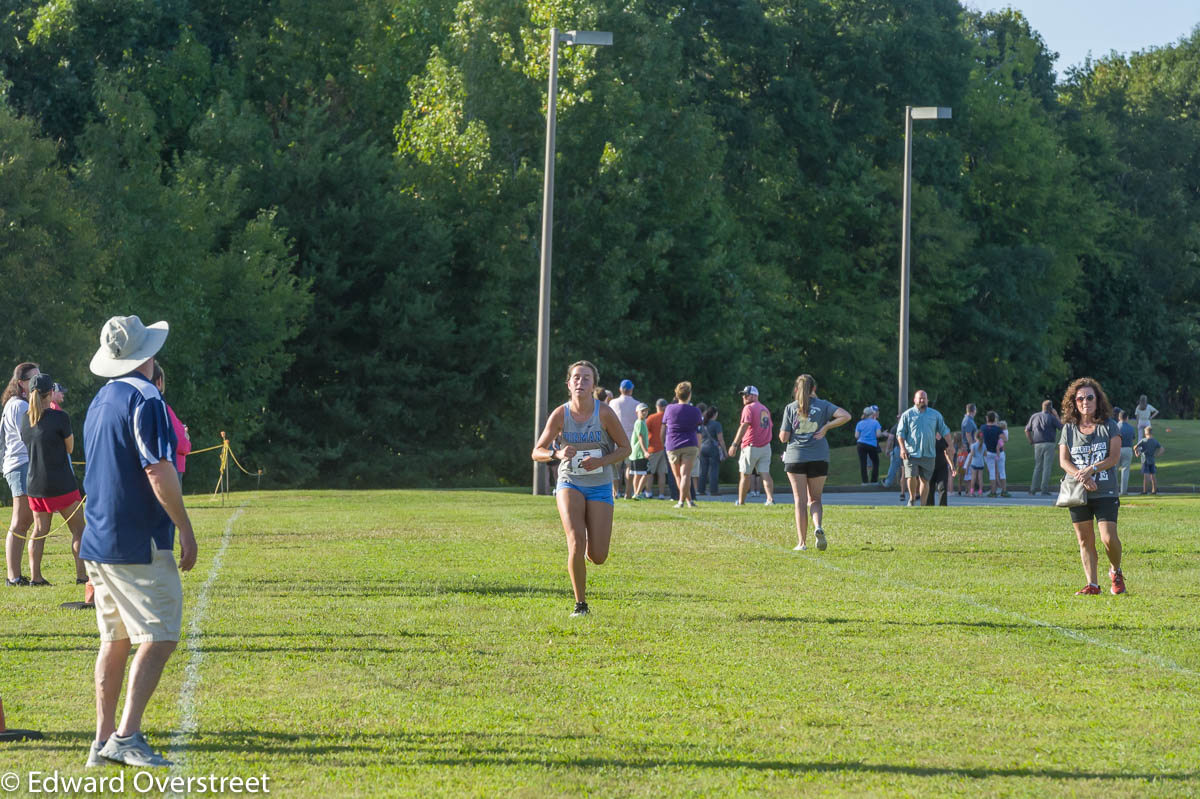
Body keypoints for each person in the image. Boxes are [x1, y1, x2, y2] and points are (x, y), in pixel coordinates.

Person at [80, 315, 198, 768]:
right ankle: (126, 736)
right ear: (148, 354)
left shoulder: (101, 397)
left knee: (116, 638)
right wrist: (184, 526)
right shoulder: (145, 397)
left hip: (100, 534)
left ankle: (103, 738)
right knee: (161, 633)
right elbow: (157, 468)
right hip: (135, 538)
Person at [533, 360, 631, 618]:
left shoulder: (605, 413)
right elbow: (537, 451)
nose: (580, 382)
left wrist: (601, 461)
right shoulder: (560, 414)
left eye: (586, 378)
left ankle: (588, 554)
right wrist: (557, 453)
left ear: (593, 386)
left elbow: (625, 448)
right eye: (576, 378)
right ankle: (580, 605)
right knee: (575, 542)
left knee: (598, 556)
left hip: (599, 485)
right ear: (568, 384)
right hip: (570, 482)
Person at [20, 374, 90, 596]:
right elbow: (69, 448)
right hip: (61, 483)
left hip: (35, 485)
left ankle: (36, 577)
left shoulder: (24, 418)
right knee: (79, 530)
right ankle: (82, 576)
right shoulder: (60, 418)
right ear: (50, 393)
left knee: (39, 531)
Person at [1058, 377, 1125, 596]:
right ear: (1074, 402)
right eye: (1080, 398)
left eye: (1089, 397)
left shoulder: (1109, 426)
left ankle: (1115, 571)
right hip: (1078, 491)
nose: (1085, 401)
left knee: (1108, 537)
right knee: (1085, 539)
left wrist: (1091, 469)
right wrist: (1081, 475)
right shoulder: (1068, 429)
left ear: (1097, 400)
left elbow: (1114, 457)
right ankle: (1093, 585)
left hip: (1104, 490)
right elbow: (1064, 461)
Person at [780, 375, 850, 550]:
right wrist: (826, 427)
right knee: (815, 499)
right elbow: (845, 416)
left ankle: (801, 543)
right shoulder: (824, 405)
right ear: (814, 389)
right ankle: (818, 527)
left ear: (796, 389)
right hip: (819, 457)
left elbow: (783, 438)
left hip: (795, 457)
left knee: (800, 500)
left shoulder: (790, 408)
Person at [3, 362, 40, 586]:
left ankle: (15, 575)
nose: (36, 383)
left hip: (21, 463)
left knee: (25, 520)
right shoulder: (18, 405)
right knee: (20, 520)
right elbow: (27, 436)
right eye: (32, 379)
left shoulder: (19, 403)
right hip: (19, 464)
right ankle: (13, 576)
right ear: (21, 383)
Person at [896, 390, 950, 506]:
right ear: (914, 400)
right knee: (911, 476)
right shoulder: (907, 415)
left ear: (927, 400)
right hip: (911, 453)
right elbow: (900, 434)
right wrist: (902, 448)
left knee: (925, 480)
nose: (922, 400)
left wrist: (950, 446)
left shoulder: (935, 415)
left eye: (924, 398)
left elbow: (945, 430)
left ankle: (923, 505)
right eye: (920, 398)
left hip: (928, 453)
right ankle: (912, 498)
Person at [727, 386, 775, 506]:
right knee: (765, 473)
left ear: (754, 396)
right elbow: (770, 426)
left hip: (751, 446)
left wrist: (734, 444)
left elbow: (744, 426)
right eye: (743, 394)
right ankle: (770, 499)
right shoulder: (765, 408)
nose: (743, 397)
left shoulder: (748, 407)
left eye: (746, 395)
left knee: (745, 474)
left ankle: (741, 502)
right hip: (765, 446)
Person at [663, 382, 704, 509]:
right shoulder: (696, 411)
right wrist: (699, 447)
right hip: (690, 444)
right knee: (686, 475)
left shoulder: (669, 408)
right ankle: (687, 501)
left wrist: (663, 443)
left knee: (678, 476)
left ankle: (682, 501)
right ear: (689, 395)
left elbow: (663, 428)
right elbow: (699, 431)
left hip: (672, 444)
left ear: (676, 394)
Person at [151, 364, 192, 484]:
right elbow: (180, 444)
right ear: (159, 382)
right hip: (171, 468)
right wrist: (186, 438)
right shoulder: (163, 408)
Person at [607, 379, 640, 499]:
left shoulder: (613, 403)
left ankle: (615, 492)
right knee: (629, 467)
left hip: (615, 438)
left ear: (620, 389)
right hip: (631, 439)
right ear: (631, 390)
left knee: (615, 468)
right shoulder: (637, 404)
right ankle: (627, 493)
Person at [1025, 400, 1062, 496]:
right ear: (1051, 408)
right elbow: (1062, 427)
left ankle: (1032, 489)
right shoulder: (1052, 417)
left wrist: (1031, 441)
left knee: (1037, 466)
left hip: (1037, 444)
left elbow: (1027, 430)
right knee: (1047, 467)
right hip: (1049, 443)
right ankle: (1044, 489)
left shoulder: (1034, 416)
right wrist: (1056, 415)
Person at [698, 406, 726, 496]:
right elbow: (720, 439)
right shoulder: (716, 424)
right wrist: (725, 451)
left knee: (703, 470)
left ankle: (701, 490)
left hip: (702, 448)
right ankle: (713, 491)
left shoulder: (702, 423)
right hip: (713, 448)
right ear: (715, 414)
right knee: (714, 470)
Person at [923, 430, 956, 506]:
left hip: (942, 467)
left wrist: (952, 466)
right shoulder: (928, 436)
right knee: (930, 489)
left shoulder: (944, 437)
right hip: (930, 466)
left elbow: (947, 452)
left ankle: (942, 507)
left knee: (942, 487)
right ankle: (929, 507)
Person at [645, 399, 669, 499]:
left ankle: (648, 493)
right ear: (665, 407)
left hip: (653, 448)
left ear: (657, 406)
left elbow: (645, 433)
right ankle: (661, 494)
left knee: (650, 473)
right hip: (665, 448)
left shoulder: (651, 418)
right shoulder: (668, 418)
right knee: (662, 473)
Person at [854, 406, 883, 485]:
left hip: (861, 444)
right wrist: (882, 434)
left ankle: (864, 482)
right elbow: (878, 435)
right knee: (875, 462)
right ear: (871, 414)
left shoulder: (859, 423)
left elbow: (856, 436)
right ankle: (874, 481)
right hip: (871, 444)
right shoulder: (875, 423)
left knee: (863, 463)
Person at [979, 411, 1005, 496]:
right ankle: (1004, 491)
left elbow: (980, 438)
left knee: (992, 472)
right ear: (995, 419)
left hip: (988, 452)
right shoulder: (998, 429)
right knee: (1002, 471)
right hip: (999, 452)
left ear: (987, 418)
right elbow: (1004, 438)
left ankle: (993, 491)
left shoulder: (983, 428)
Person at [628, 403, 651, 500]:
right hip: (639, 453)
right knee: (646, 474)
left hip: (636, 453)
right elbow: (640, 437)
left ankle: (636, 493)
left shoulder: (641, 422)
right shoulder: (640, 422)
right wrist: (645, 451)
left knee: (637, 474)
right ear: (637, 412)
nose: (645, 412)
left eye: (646, 410)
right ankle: (637, 493)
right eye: (642, 411)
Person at [1134, 426, 1164, 495]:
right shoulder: (1155, 441)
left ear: (1146, 433)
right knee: (1153, 475)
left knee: (1146, 476)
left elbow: (1135, 447)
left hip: (1145, 460)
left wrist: (1137, 453)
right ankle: (1154, 490)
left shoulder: (1143, 440)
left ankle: (1145, 491)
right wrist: (1156, 455)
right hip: (1152, 460)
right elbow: (1162, 449)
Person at [1115, 410, 1136, 496]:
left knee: (1114, 471)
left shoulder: (1116, 426)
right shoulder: (1131, 427)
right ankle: (1123, 491)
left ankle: (1114, 490)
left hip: (1116, 449)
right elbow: (1133, 438)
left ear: (1119, 417)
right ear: (1127, 418)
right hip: (1128, 449)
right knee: (1125, 471)